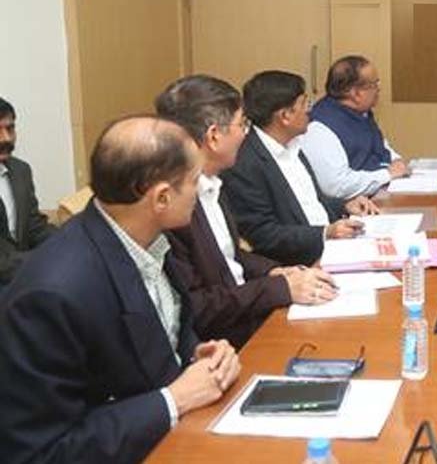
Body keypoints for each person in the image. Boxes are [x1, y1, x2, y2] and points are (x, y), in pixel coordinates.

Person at [0, 116, 240, 464]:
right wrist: (173, 400)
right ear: (161, 198)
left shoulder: (147, 239)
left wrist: (197, 355)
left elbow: (164, 331)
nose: (199, 190)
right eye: (194, 181)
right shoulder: (52, 295)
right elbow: (42, 451)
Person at [156, 75, 338, 349]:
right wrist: (280, 288)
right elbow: (199, 308)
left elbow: (231, 256)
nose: (246, 134)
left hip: (251, 311)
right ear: (214, 136)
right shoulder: (175, 207)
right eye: (242, 124)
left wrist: (278, 271)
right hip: (229, 341)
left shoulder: (213, 183)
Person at [225, 70, 378, 267]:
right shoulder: (244, 163)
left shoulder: (294, 145)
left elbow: (310, 202)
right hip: (299, 265)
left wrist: (345, 205)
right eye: (305, 104)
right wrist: (325, 233)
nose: (310, 111)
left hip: (332, 248)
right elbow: (263, 234)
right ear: (285, 116)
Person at [301, 55, 408, 199]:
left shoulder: (361, 113)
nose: (378, 89)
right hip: (354, 205)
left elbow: (379, 146)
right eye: (374, 84)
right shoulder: (319, 129)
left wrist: (396, 160)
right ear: (355, 93)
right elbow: (336, 186)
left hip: (378, 193)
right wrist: (387, 174)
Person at [0, 97, 56, 285]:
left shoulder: (21, 171)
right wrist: (44, 262)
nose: (6, 138)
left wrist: (69, 240)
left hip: (21, 279)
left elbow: (34, 227)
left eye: (10, 129)